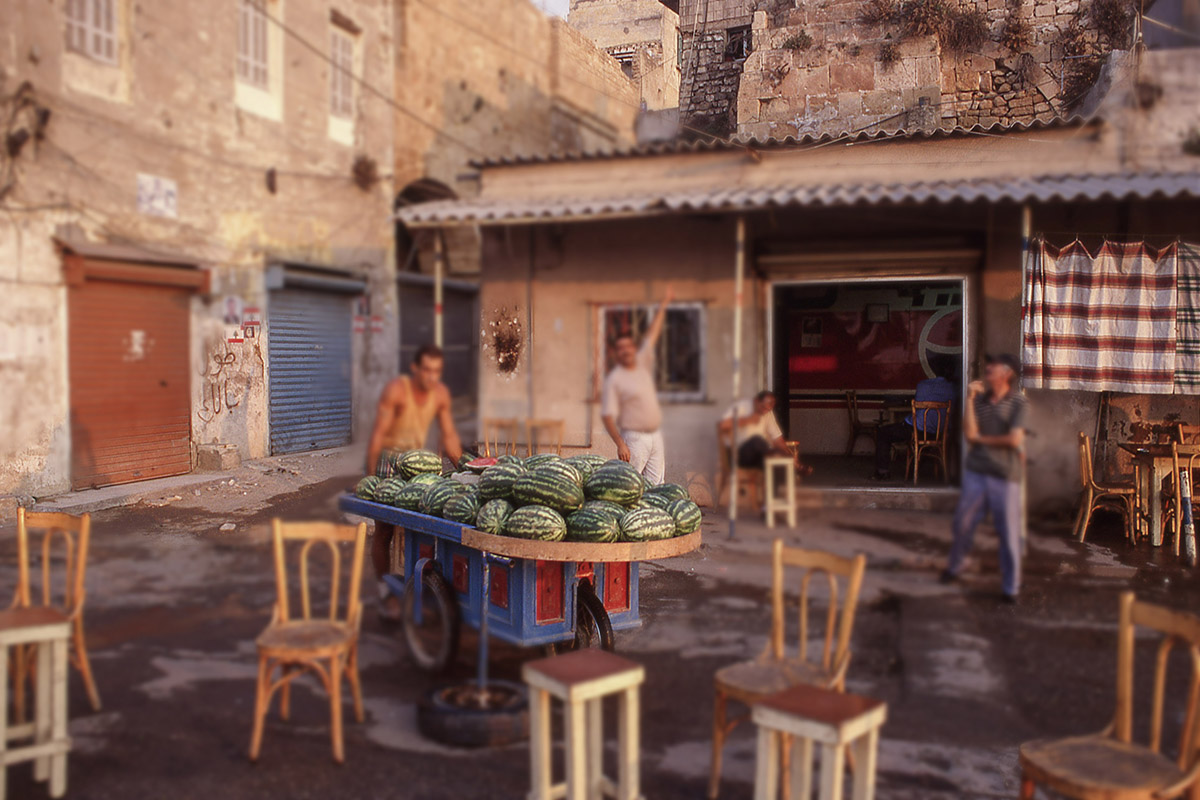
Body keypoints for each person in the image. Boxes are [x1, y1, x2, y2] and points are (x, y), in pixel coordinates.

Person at [365, 344, 462, 619]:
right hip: (390, 461)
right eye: (427, 370)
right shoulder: (396, 391)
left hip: (420, 463)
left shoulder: (440, 394)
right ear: (415, 369)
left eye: (437, 371)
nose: (432, 376)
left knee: (427, 527)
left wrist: (467, 468)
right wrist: (372, 481)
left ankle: (423, 587)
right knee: (384, 530)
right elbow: (377, 435)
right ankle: (385, 592)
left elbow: (450, 436)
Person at [940, 353, 1028, 604]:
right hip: (977, 474)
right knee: (962, 524)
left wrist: (982, 440)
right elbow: (969, 434)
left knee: (1008, 534)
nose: (987, 370)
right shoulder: (979, 402)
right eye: (987, 366)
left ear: (1006, 373)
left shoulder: (1019, 403)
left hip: (1005, 476)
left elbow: (1014, 440)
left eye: (993, 367)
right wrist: (969, 398)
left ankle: (1010, 587)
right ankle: (955, 567)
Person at [601, 286, 673, 485]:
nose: (625, 351)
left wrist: (664, 304)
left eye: (628, 346)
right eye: (620, 348)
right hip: (634, 439)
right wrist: (620, 444)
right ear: (617, 353)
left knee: (656, 487)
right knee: (629, 486)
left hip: (655, 435)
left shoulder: (642, 363)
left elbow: (652, 334)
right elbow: (607, 416)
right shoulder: (615, 379)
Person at [873, 368, 957, 480]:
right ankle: (916, 467)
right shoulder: (956, 388)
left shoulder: (923, 385)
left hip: (916, 432)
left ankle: (882, 472)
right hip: (941, 434)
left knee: (883, 433)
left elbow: (918, 400)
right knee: (925, 445)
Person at [718, 390, 811, 474]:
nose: (764, 411)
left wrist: (787, 453)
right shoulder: (741, 407)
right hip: (737, 451)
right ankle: (778, 457)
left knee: (775, 449)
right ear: (756, 401)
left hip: (760, 452)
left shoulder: (767, 412)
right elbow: (722, 425)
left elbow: (777, 438)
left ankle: (792, 463)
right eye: (763, 407)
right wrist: (747, 420)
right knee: (757, 441)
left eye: (768, 409)